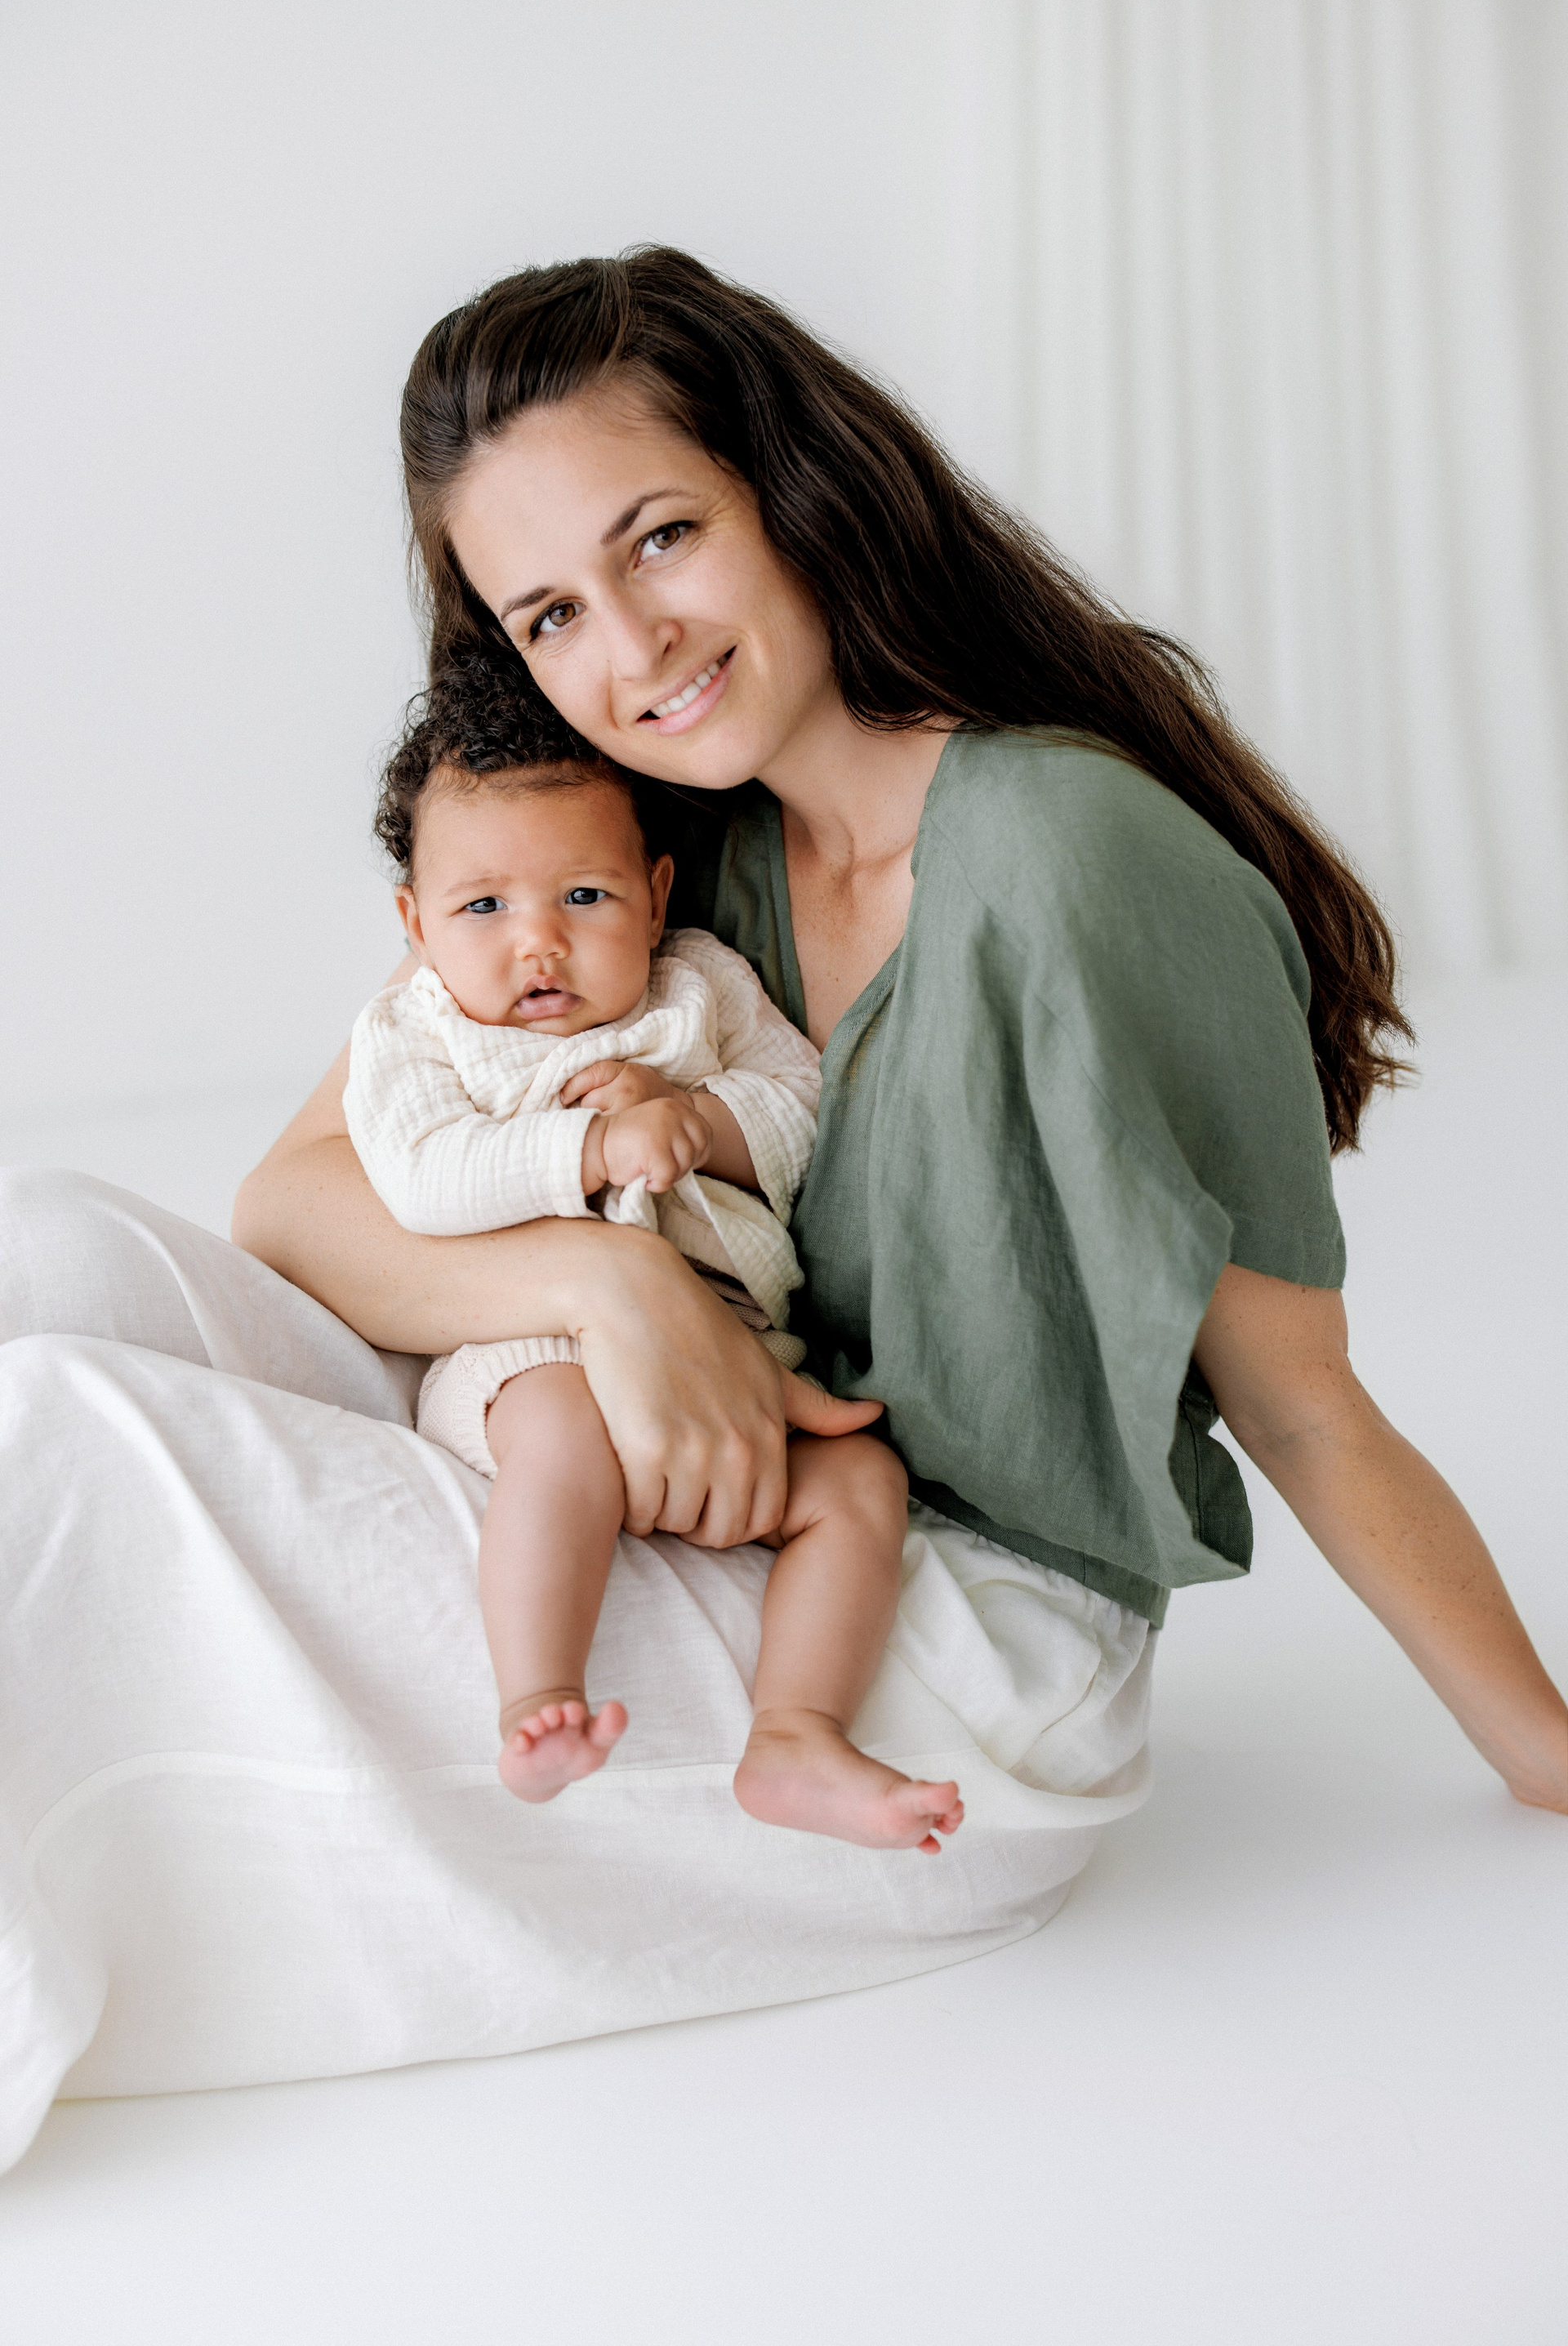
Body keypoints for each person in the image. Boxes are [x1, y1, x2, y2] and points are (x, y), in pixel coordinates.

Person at [238, 246, 1565, 1811]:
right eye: (551, 616)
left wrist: (1543, 1752)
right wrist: (612, 1288)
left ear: (792, 488)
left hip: (940, 1639)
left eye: (662, 537)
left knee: (105, 1449)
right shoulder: (652, 860)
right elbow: (292, 1203)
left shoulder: (1068, 856)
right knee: (80, 1279)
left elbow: (1302, 1406)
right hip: (689, 1516)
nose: (631, 647)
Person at [345, 657, 960, 1848]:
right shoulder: (416, 1034)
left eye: (584, 896)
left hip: (728, 1354)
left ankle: (797, 1734)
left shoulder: (699, 990)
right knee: (562, 1441)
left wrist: (699, 1120)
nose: (539, 945)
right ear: (416, 924)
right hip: (534, 1352)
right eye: (483, 909)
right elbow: (423, 1176)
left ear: (656, 889)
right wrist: (593, 1144)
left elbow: (807, 1108)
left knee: (859, 1486)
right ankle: (537, 1698)